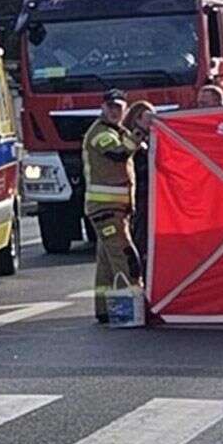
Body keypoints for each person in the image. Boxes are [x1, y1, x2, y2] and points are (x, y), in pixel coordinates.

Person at [82, 89, 146, 323]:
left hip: (114, 209)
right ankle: (131, 309)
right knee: (125, 257)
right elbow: (118, 154)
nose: (114, 111)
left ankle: (104, 310)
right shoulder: (101, 133)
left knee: (107, 263)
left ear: (125, 110)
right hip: (106, 210)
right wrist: (141, 132)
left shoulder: (118, 132)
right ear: (102, 107)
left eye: (118, 107)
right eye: (110, 107)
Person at [122, 100, 156, 270]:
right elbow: (136, 167)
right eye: (148, 118)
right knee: (140, 237)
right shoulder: (132, 141)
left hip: (148, 197)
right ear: (136, 119)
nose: (153, 122)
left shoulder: (149, 140)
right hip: (140, 196)